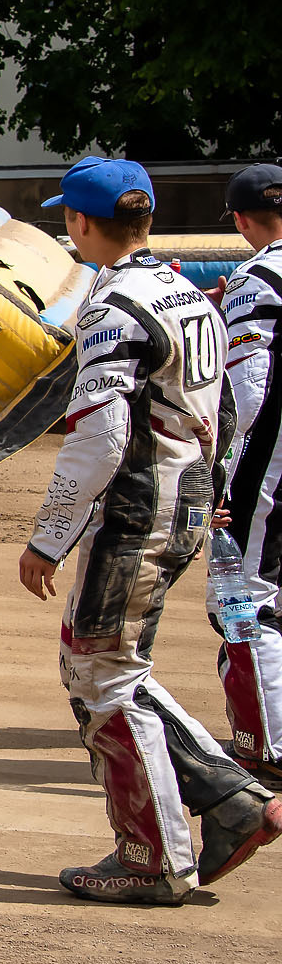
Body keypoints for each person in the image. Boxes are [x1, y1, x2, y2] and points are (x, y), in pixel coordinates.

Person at [17, 157, 281, 903]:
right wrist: (218, 484)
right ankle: (231, 801)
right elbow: (226, 400)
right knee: (109, 667)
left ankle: (156, 853)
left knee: (100, 674)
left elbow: (99, 438)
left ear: (80, 223)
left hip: (136, 507)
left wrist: (49, 536)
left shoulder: (112, 309)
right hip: (184, 496)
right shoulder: (184, 291)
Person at [212, 162, 282, 786]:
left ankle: (267, 745)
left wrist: (227, 477)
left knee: (244, 602)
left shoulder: (255, 278)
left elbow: (250, 393)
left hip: (271, 468)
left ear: (239, 220)